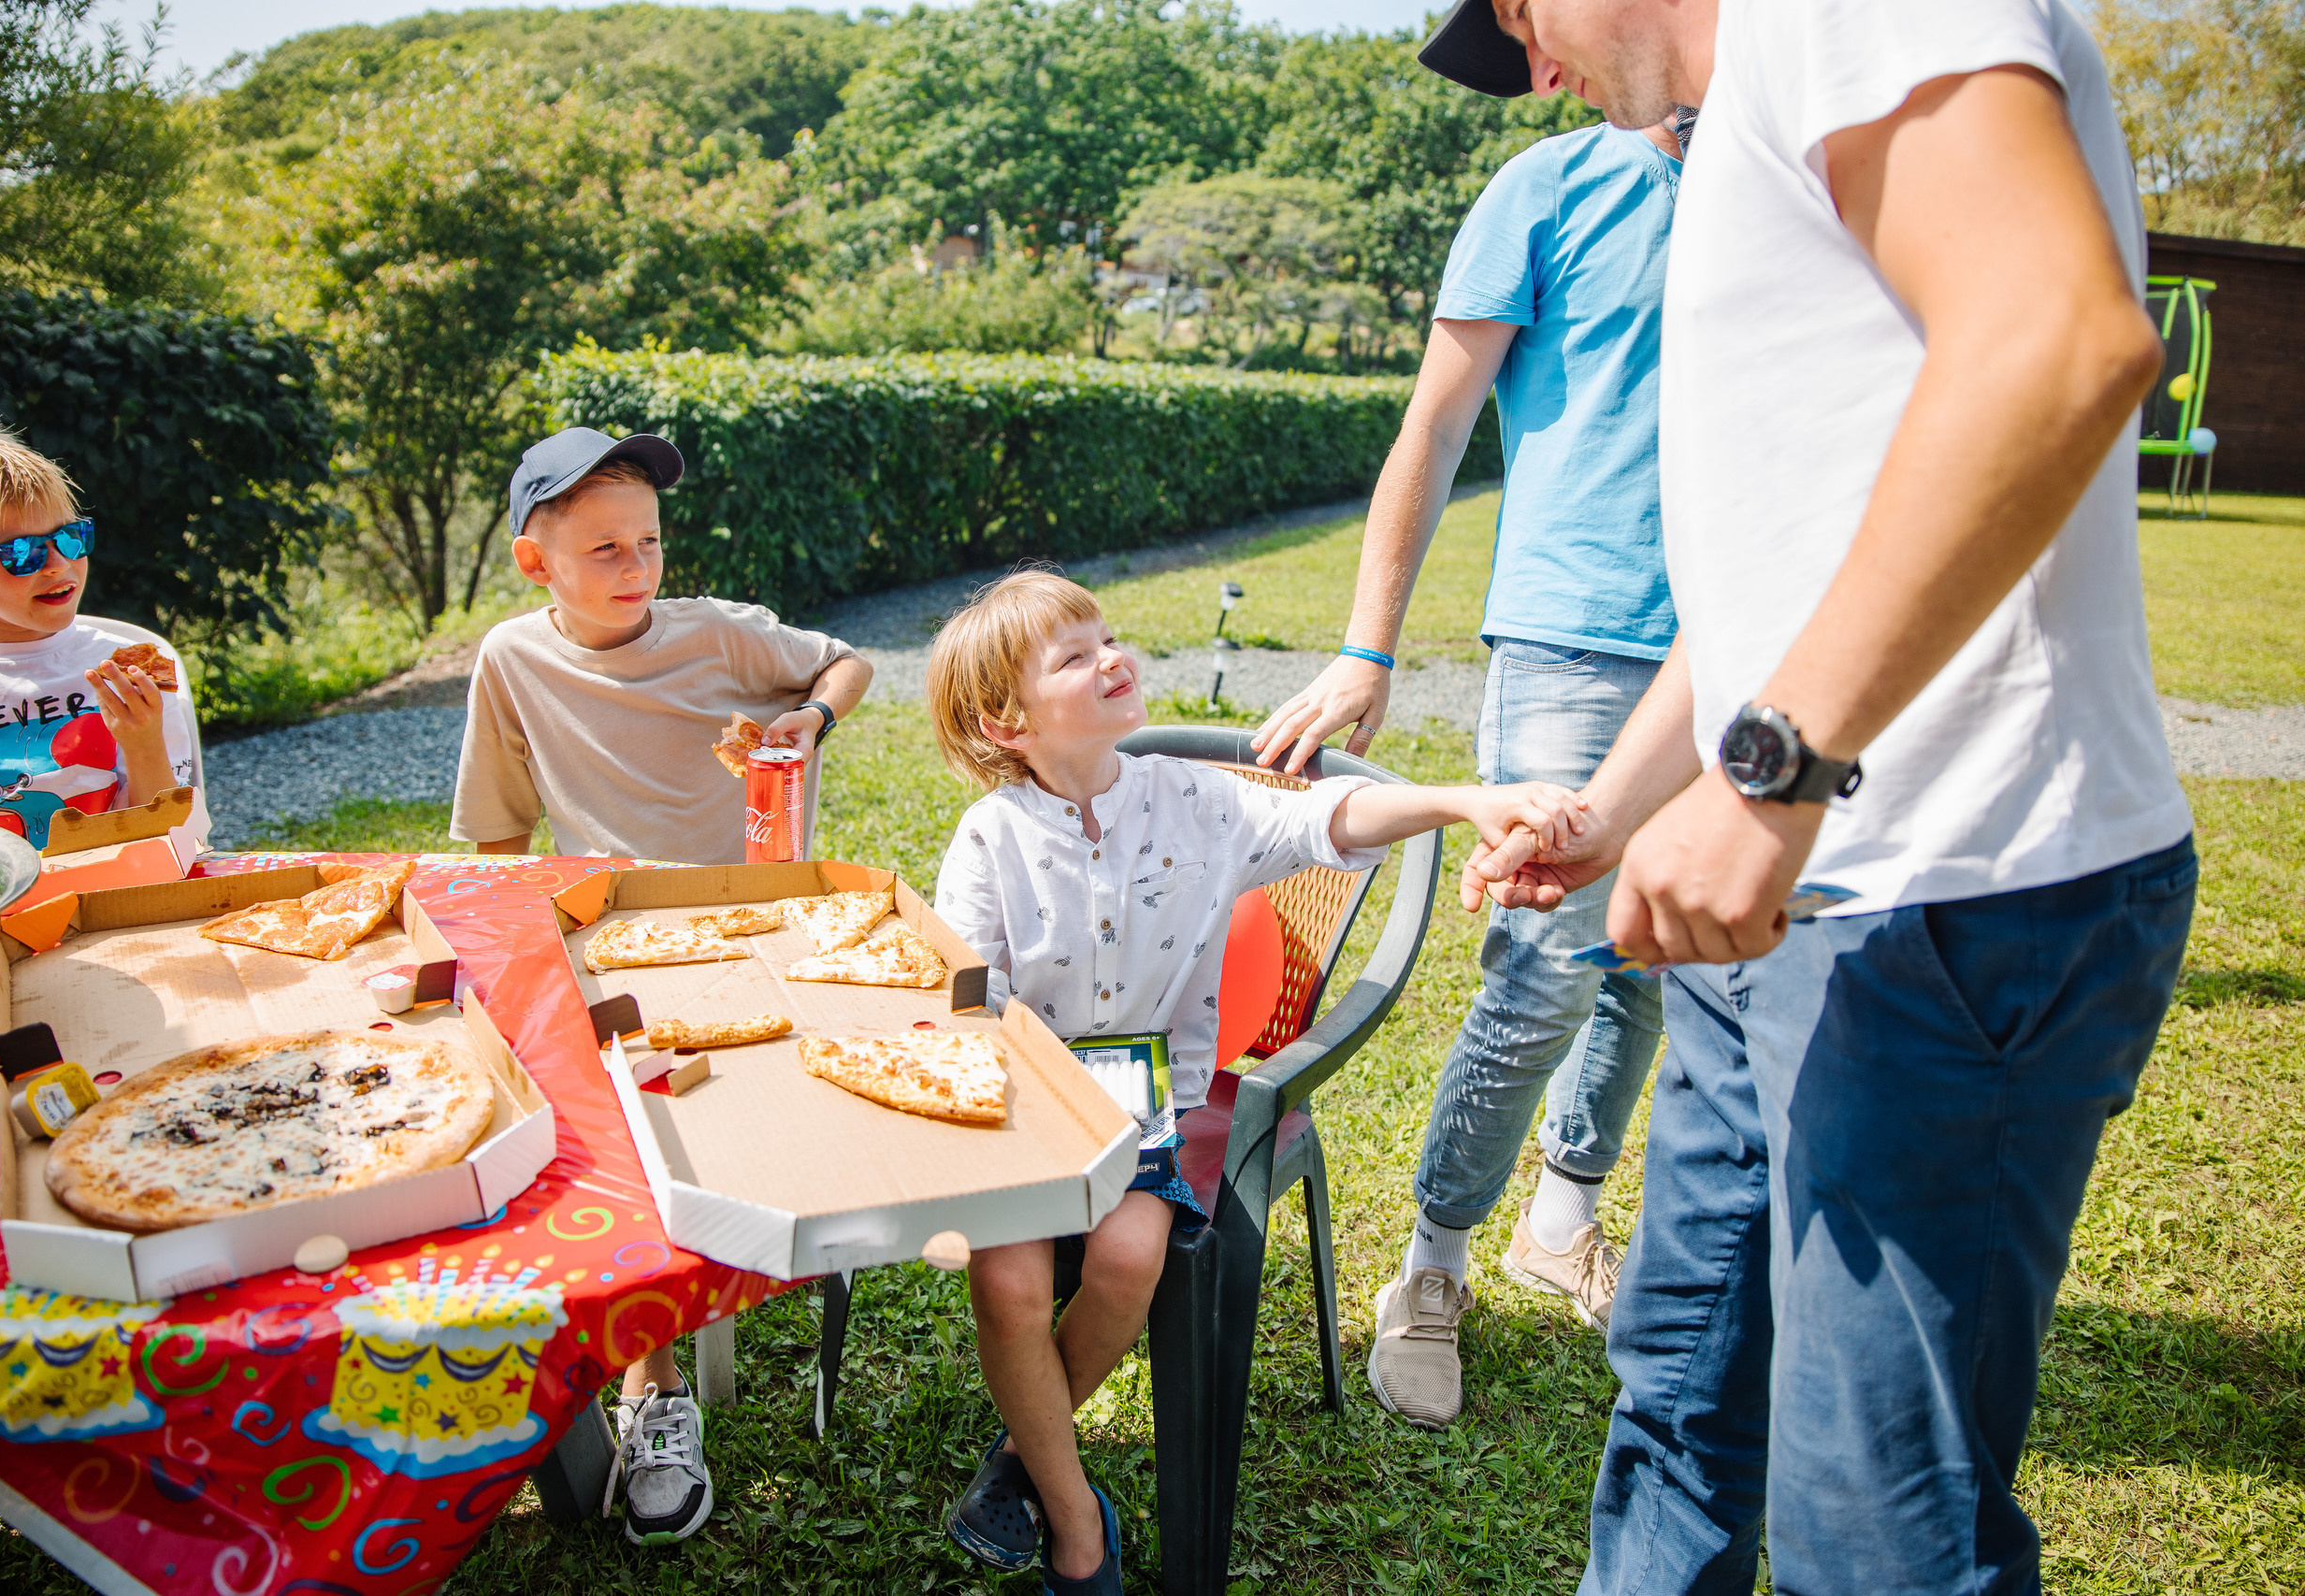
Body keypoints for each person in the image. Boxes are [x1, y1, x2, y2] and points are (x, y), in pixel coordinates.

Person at [1463, 0, 2194, 1588]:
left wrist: (1775, 773)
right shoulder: (1739, 133)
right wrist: (1619, 802)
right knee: (1676, 1412)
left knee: (1880, 1530)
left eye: (1519, 15)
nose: (1535, 73)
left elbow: (2058, 342)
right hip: (1797, 907)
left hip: (1947, 893)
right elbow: (1773, 575)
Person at [924, 569, 1586, 1595]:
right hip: (1021, 1113)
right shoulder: (990, 840)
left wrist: (1469, 801)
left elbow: (1334, 822)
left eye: (1108, 636)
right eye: (1074, 656)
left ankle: (1020, 1466)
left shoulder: (1197, 803)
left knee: (1132, 1253)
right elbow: (973, 997)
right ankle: (1075, 1525)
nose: (1114, 659)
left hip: (1142, 1116)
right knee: (1005, 1283)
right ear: (1003, 721)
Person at [1248, 2, 1685, 1428]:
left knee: (1662, 965)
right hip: (1573, 633)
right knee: (1549, 959)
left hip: (1742, 647)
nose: (1542, 81)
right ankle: (1431, 1262)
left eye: (1533, 40)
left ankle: (1561, 1216)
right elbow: (1434, 425)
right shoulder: (1546, 187)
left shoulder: (1790, 166)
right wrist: (1368, 644)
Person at [448, 424, 873, 1546]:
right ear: (534, 562)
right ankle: (654, 1380)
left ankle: (698, 1307)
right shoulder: (511, 658)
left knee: (708, 1115)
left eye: (649, 542)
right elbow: (492, 839)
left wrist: (809, 717)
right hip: (613, 935)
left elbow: (846, 661)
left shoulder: (719, 636)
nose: (636, 568)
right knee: (602, 1120)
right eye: (603, 550)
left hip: (759, 918)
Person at [0, 415, 204, 849]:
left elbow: (174, 840)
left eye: (70, 538)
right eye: (21, 553)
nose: (58, 565)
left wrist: (142, 742)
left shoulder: (132, 666)